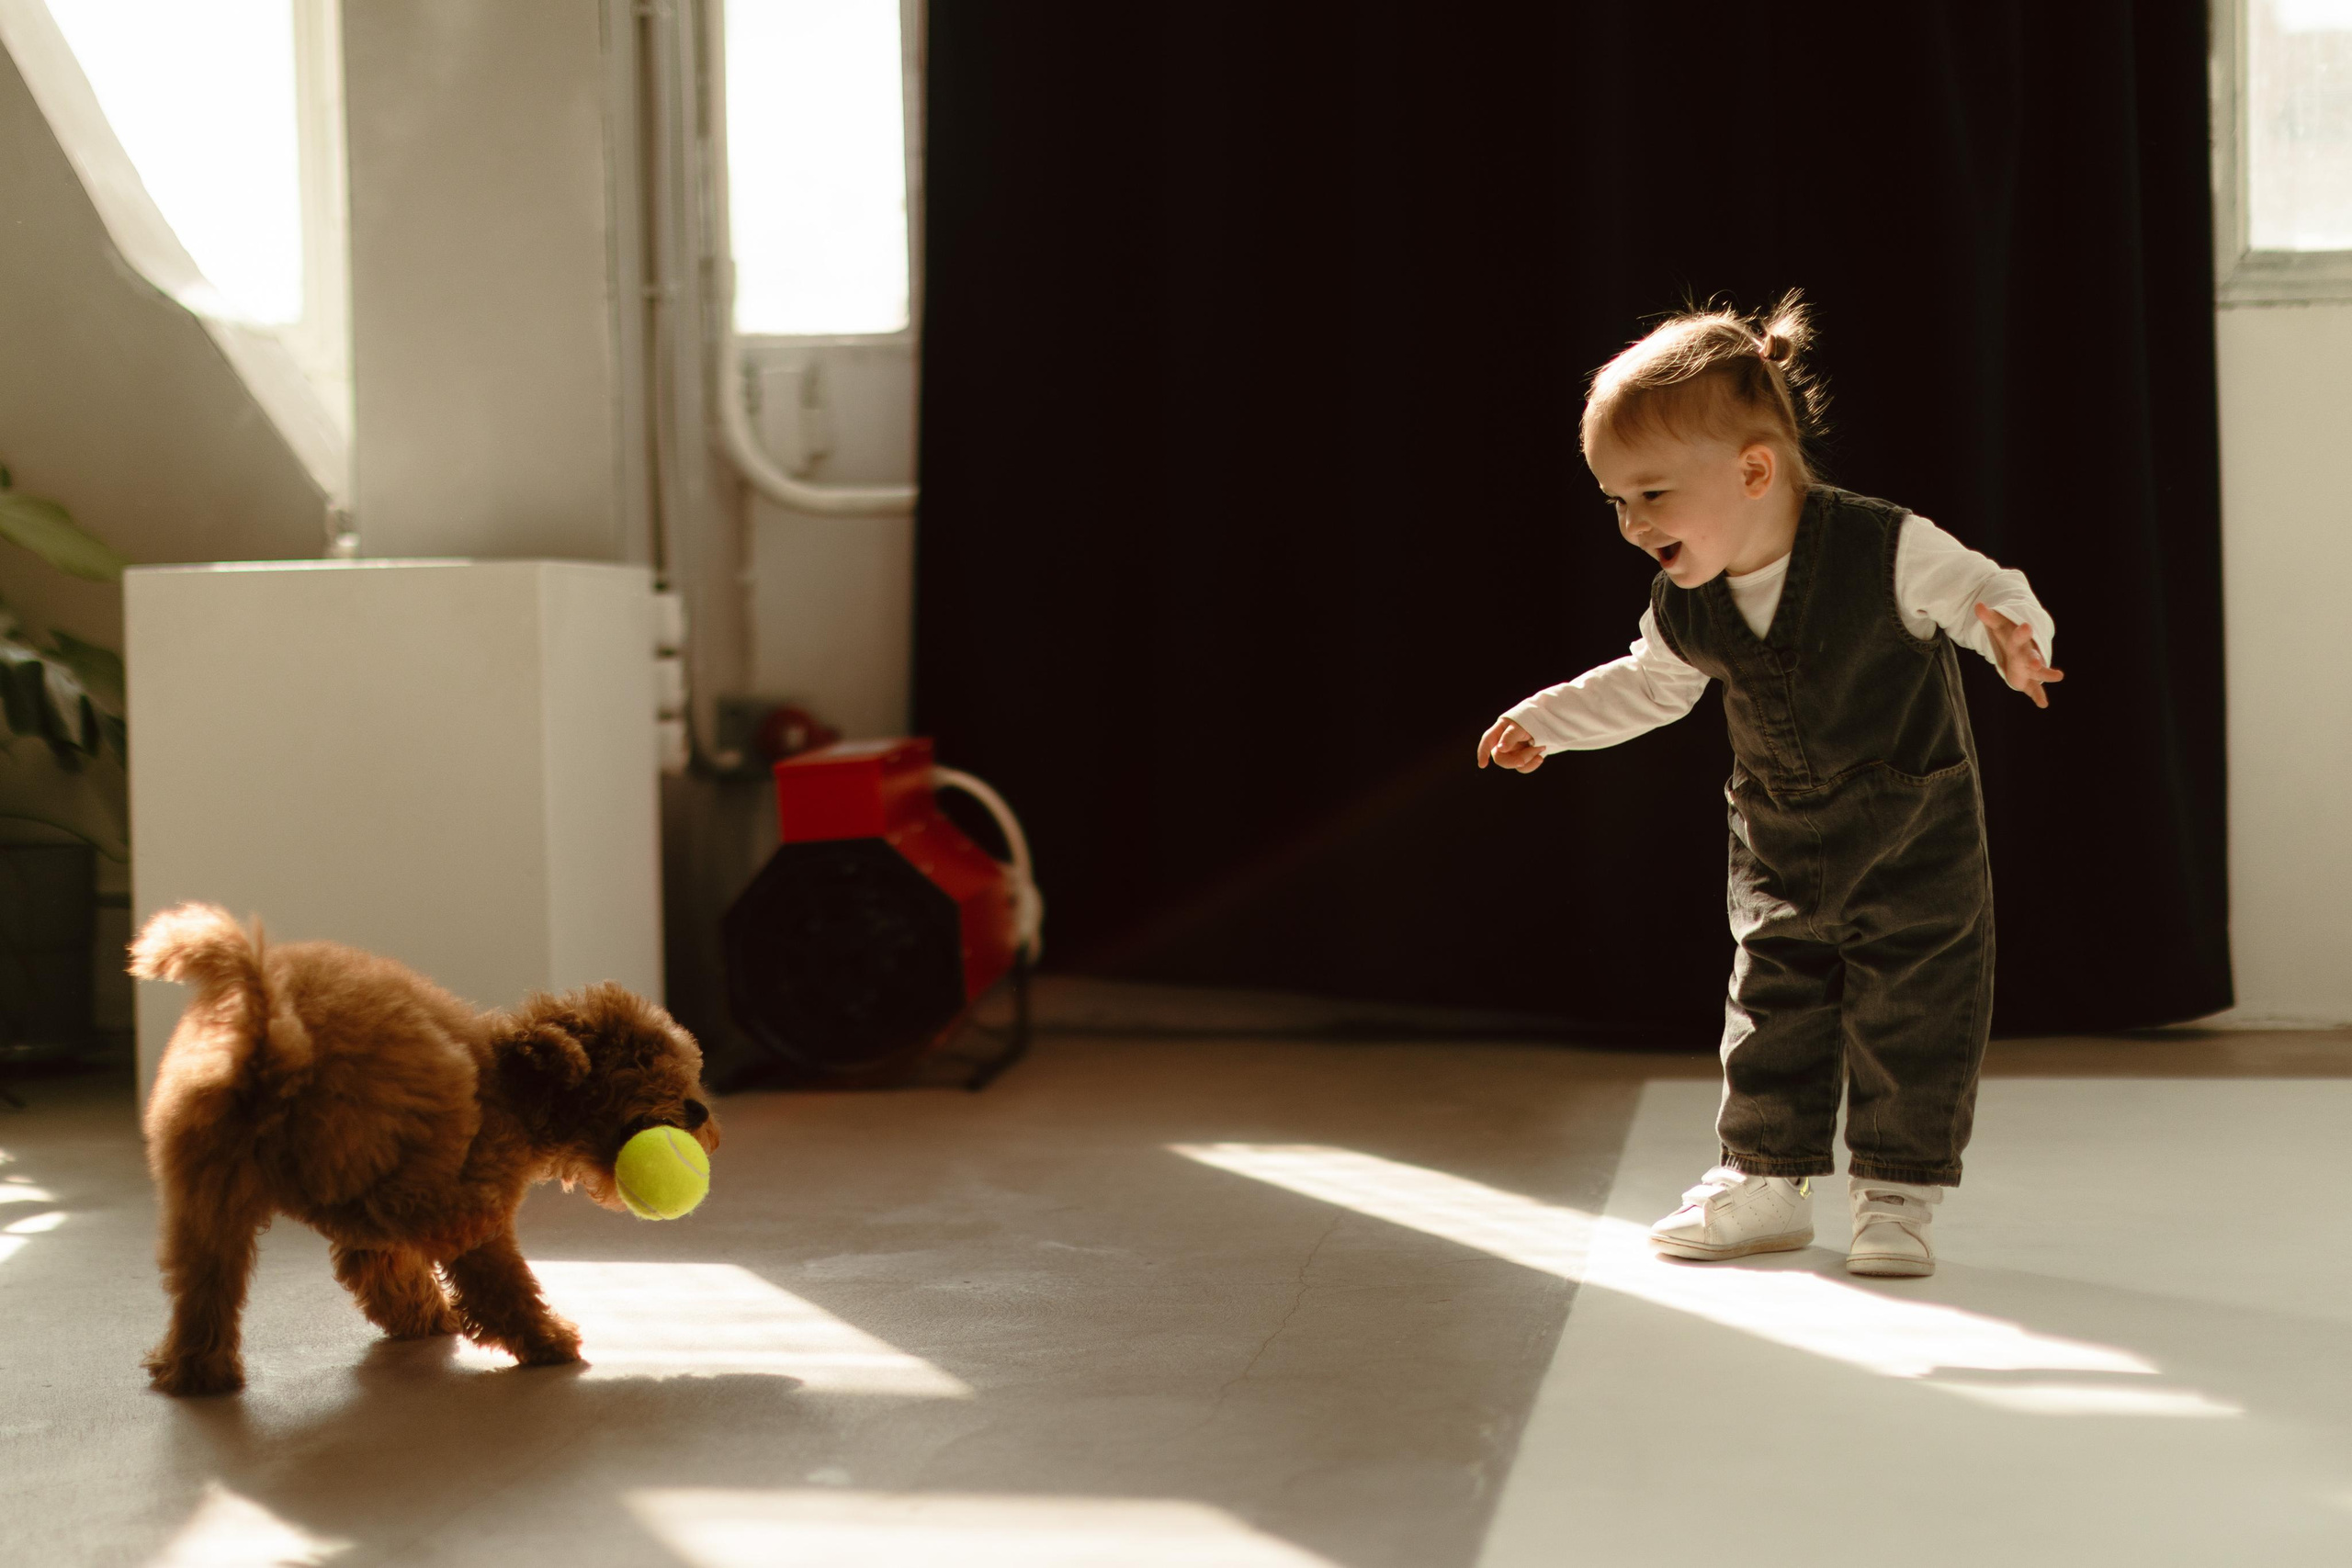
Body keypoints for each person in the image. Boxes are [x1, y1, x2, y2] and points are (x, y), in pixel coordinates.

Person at [1476, 294, 2059, 1279]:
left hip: (1914, 844)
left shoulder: (1884, 547)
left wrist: (2013, 634)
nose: (1630, 523)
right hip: (1780, 847)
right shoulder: (1686, 603)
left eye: (1650, 495)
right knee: (1769, 1007)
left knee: (1913, 1014)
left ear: (1753, 471)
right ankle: (1764, 1180)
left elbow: (1979, 592)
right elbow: (1650, 686)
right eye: (1615, 501)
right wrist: (1549, 721)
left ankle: (1895, 1194)